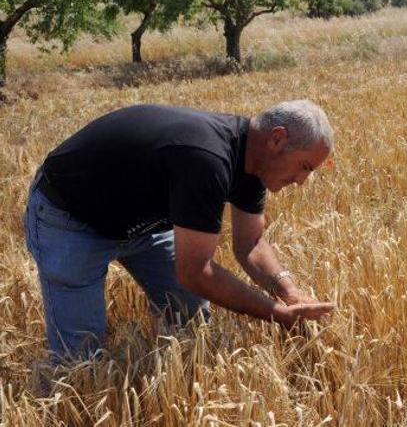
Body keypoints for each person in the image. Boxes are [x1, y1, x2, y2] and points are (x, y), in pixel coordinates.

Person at [23, 100, 336, 362]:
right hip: (71, 218)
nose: (301, 181)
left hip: (142, 225)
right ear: (278, 139)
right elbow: (195, 273)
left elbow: (251, 245)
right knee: (80, 361)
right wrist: (277, 314)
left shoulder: (254, 165)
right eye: (305, 166)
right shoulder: (208, 160)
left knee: (192, 322)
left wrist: (288, 292)